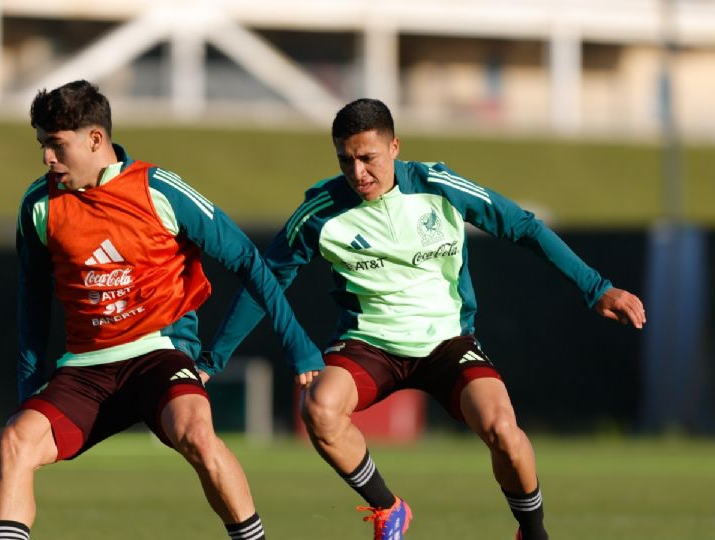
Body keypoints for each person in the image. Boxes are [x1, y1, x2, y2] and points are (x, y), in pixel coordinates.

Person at [198, 98, 646, 540]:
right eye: (346, 161)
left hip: (448, 343)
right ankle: (387, 508)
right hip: (368, 344)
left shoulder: (438, 185)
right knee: (319, 409)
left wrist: (595, 287)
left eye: (368, 158)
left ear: (395, 147)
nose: (358, 173)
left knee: (504, 432)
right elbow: (264, 279)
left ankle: (532, 532)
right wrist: (212, 360)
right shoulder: (320, 212)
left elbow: (523, 226)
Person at [0, 80, 323, 540]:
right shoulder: (38, 206)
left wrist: (300, 347)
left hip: (159, 355)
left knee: (196, 433)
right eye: (43, 145)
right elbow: (32, 302)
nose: (47, 157)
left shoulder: (159, 189)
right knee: (15, 440)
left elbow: (248, 260)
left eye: (56, 145)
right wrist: (30, 387)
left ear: (95, 139)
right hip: (86, 370)